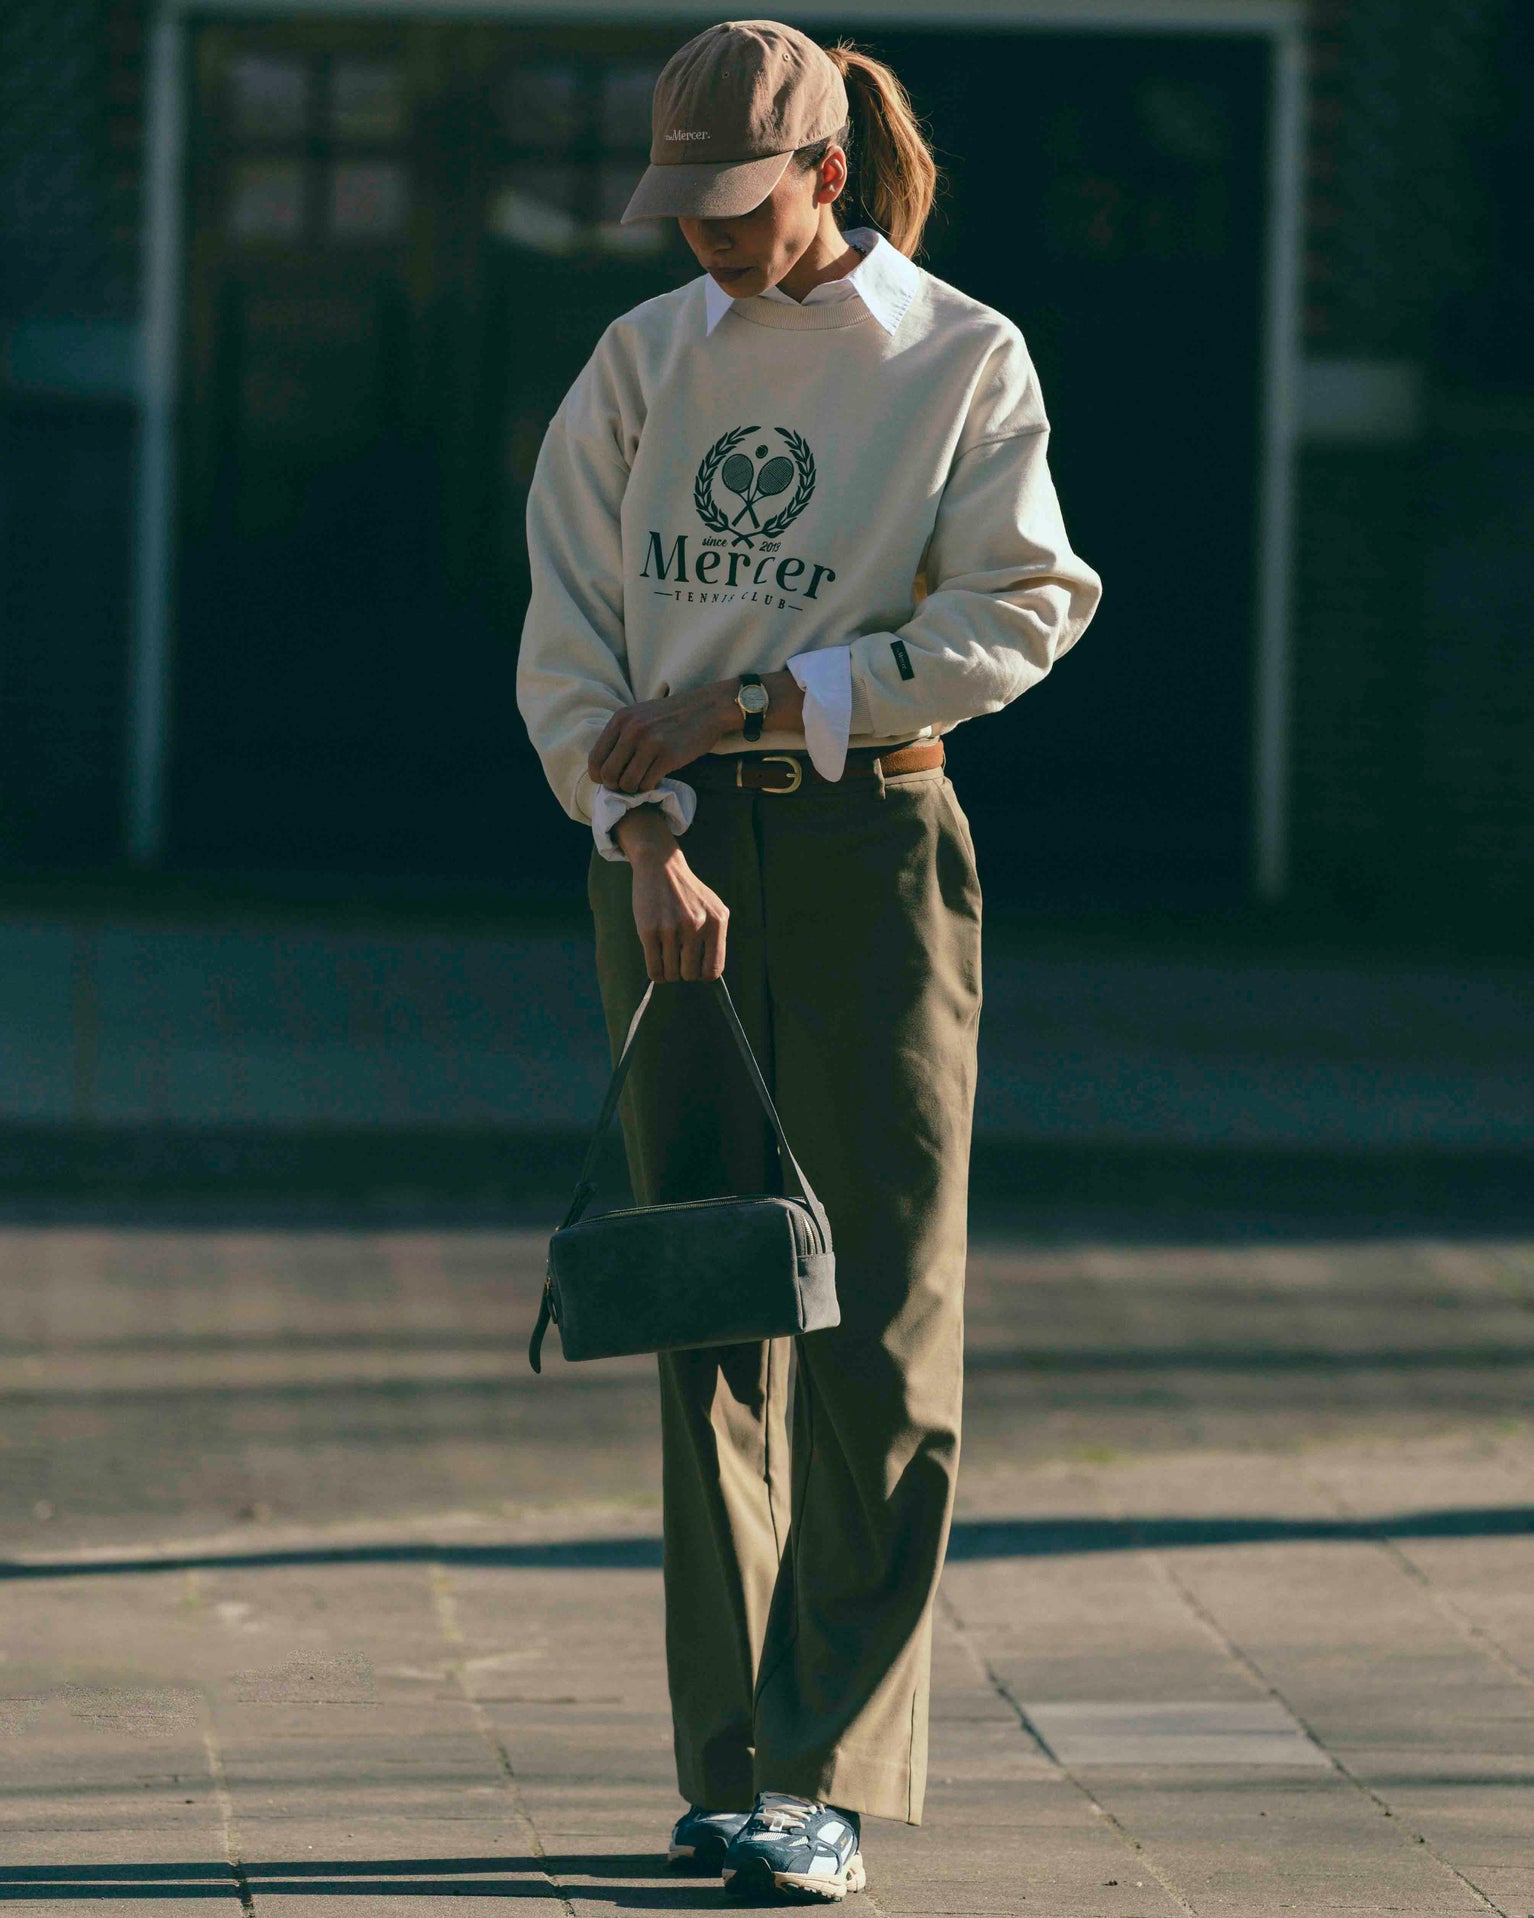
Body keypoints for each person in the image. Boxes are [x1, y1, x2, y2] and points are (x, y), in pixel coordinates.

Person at [515, 17, 1101, 1903]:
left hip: (870, 843)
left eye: (736, 204)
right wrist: (648, 842)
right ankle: (728, 1768)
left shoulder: (957, 357)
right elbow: (568, 644)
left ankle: (824, 1768)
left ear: (823, 173)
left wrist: (772, 697)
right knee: (706, 1300)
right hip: (672, 868)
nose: (703, 239)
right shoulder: (634, 367)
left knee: (882, 1317)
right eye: (678, 207)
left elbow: (1022, 605)